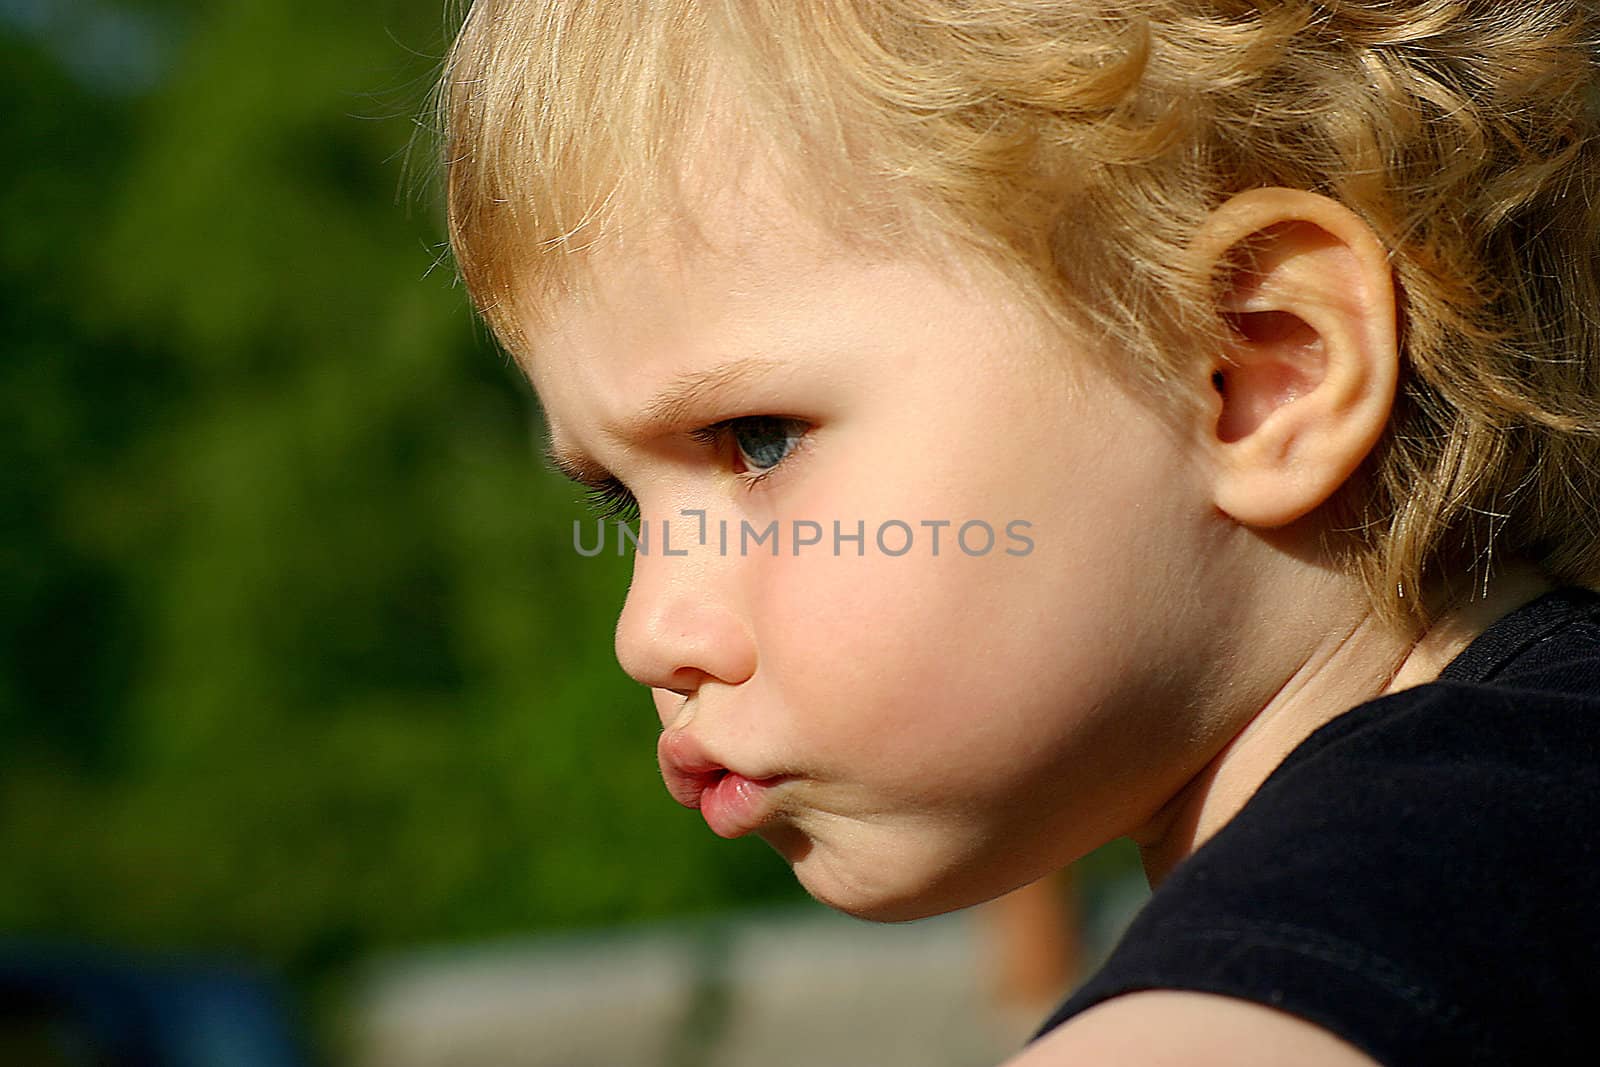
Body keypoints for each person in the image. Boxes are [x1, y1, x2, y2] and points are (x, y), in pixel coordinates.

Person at [435, 2, 1600, 1063]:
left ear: (1255, 365)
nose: (649, 634)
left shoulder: (1281, 995)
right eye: (622, 502)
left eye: (757, 439)